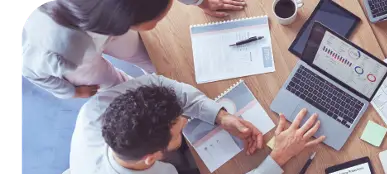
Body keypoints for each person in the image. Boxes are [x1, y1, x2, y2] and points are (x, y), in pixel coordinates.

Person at [69, 74, 325, 174]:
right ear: (152, 157)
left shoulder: (96, 110)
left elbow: (165, 88)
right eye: (180, 129)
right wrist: (278, 157)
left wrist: (220, 116)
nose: (185, 120)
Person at [22, 0, 246, 100]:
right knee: (118, 85)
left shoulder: (116, 14)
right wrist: (70, 92)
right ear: (127, 21)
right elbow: (29, 70)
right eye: (157, 20)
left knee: (148, 56)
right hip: (77, 59)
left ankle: (162, 80)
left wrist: (201, 1)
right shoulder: (58, 50)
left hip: (101, 27)